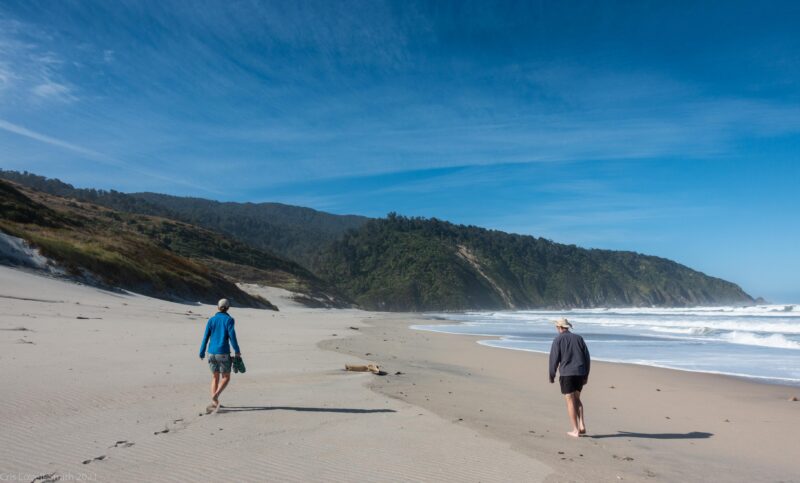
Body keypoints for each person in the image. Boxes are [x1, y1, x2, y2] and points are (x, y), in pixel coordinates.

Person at [548, 317, 590, 437]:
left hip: (567, 374)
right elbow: (587, 358)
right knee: (577, 399)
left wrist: (552, 375)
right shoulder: (579, 338)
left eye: (557, 327)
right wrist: (586, 375)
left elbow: (554, 359)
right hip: (580, 373)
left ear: (559, 327)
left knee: (570, 401)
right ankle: (582, 424)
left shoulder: (558, 339)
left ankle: (575, 430)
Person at [199, 298, 241, 412]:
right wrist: (237, 350)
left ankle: (214, 402)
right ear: (228, 308)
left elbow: (205, 337)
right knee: (226, 377)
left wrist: (202, 351)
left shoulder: (211, 320)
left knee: (215, 376)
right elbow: (232, 336)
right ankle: (216, 396)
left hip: (211, 353)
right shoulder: (229, 320)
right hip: (223, 352)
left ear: (218, 307)